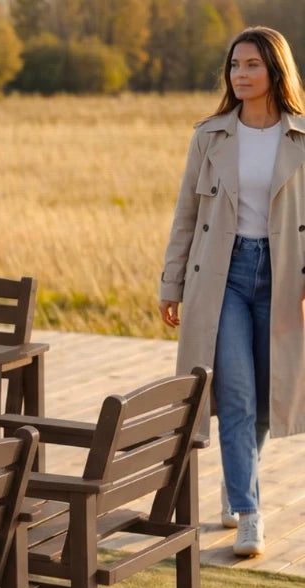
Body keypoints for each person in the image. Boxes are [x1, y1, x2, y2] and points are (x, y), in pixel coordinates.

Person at [159, 26, 305, 558]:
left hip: (284, 279)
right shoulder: (210, 136)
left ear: (275, 71)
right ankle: (250, 512)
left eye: (252, 66)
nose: (240, 75)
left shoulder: (301, 138)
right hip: (223, 276)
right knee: (237, 396)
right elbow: (186, 217)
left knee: (267, 396)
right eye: (234, 66)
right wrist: (170, 282)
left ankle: (235, 482)